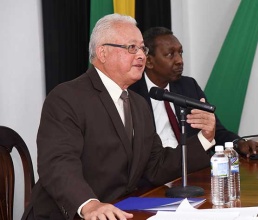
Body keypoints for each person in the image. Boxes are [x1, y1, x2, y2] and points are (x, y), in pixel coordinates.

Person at [22, 14, 217, 220]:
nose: (141, 55)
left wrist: (204, 137)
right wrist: (89, 205)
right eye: (132, 48)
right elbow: (57, 163)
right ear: (103, 52)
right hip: (70, 214)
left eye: (143, 48)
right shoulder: (67, 97)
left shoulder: (138, 103)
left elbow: (156, 166)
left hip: (121, 210)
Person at [129, 27, 258, 156]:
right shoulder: (132, 93)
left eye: (180, 53)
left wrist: (238, 143)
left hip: (193, 167)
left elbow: (215, 131)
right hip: (154, 173)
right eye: (170, 54)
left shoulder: (188, 86)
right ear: (149, 61)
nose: (179, 61)